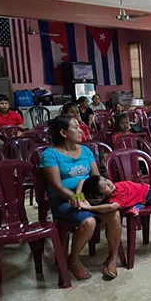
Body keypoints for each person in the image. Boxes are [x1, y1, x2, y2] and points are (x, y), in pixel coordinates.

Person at [40, 115, 122, 280]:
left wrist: (97, 196)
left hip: (89, 197)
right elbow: (57, 186)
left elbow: (96, 178)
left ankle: (112, 257)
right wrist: (77, 198)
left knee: (114, 213)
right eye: (75, 127)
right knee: (88, 221)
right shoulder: (50, 155)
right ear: (63, 133)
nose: (81, 131)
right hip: (64, 200)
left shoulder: (85, 151)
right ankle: (74, 259)